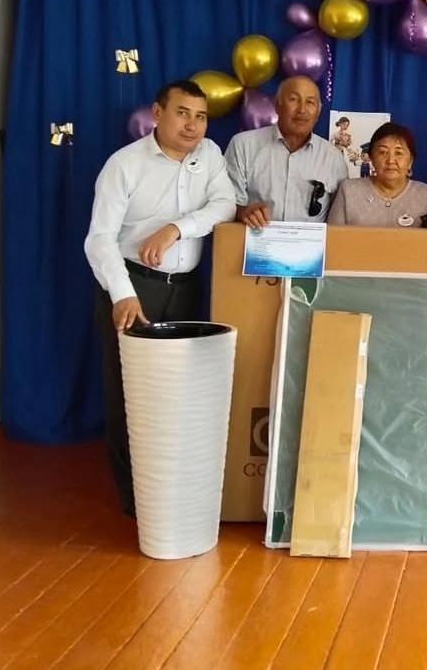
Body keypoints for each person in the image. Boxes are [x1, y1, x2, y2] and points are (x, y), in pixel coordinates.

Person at [84, 79, 236, 516]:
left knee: (179, 396)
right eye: (182, 113)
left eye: (201, 116)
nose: (192, 125)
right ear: (157, 113)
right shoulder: (125, 164)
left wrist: (176, 229)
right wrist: (123, 295)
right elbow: (99, 240)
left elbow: (225, 204)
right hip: (134, 288)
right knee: (131, 399)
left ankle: (175, 493)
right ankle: (138, 503)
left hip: (186, 290)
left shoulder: (210, 155)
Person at [225, 75, 348, 226]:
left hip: (311, 241)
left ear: (318, 112)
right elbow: (224, 205)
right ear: (277, 106)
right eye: (293, 100)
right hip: (256, 237)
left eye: (310, 102)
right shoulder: (243, 145)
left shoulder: (333, 158)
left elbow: (340, 218)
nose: (302, 110)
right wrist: (243, 212)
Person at [326, 122, 427, 227]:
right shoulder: (349, 191)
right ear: (371, 158)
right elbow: (332, 238)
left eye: (398, 153)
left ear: (410, 161)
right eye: (383, 152)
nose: (391, 160)